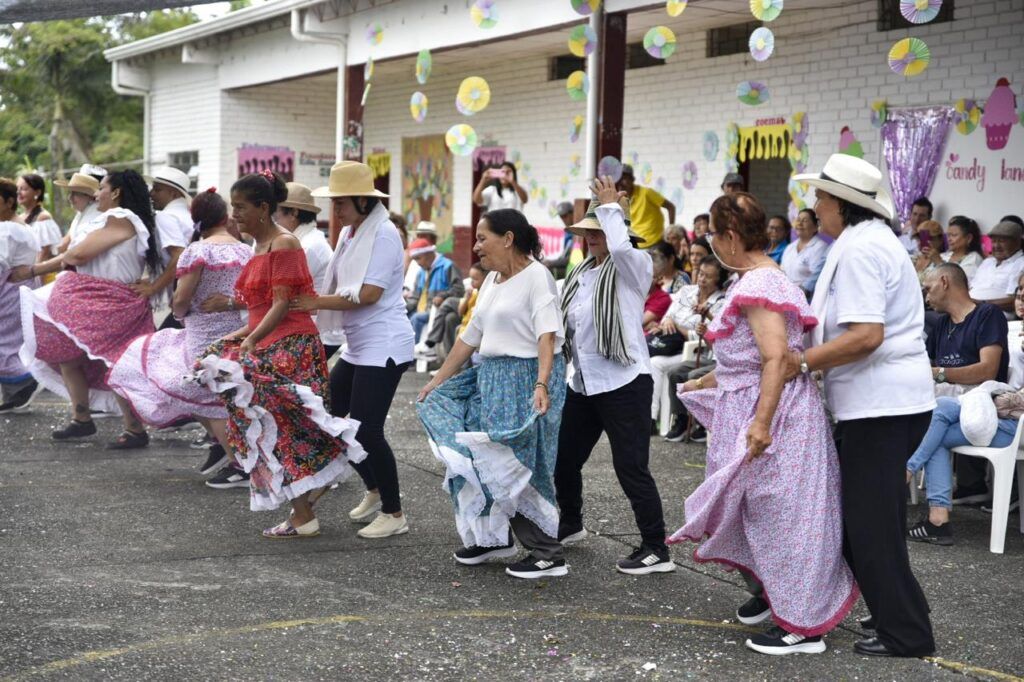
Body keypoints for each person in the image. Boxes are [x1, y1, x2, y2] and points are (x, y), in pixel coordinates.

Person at [669, 190, 856, 656]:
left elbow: (775, 358)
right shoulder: (754, 279)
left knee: (787, 516)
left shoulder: (760, 286)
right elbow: (748, 358)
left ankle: (804, 624)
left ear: (731, 236)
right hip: (764, 406)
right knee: (757, 511)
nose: (710, 242)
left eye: (713, 233)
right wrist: (705, 381)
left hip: (781, 417)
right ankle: (776, 596)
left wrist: (761, 423)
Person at [790, 154, 936, 658]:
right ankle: (898, 608)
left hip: (883, 404)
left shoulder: (861, 251)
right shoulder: (867, 242)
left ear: (840, 204)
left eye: (821, 198)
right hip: (883, 403)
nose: (815, 206)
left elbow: (867, 335)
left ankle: (906, 631)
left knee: (868, 521)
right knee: (878, 518)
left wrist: (801, 361)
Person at [192, 170, 363, 538]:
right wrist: (233, 339)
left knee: (283, 427)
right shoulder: (258, 246)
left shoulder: (284, 244)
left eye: (240, 207)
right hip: (268, 340)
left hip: (292, 346)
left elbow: (283, 304)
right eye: (232, 207)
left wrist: (250, 339)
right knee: (269, 427)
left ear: (263, 207)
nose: (234, 214)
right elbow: (258, 308)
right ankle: (304, 511)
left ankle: (311, 503)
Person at [416, 208, 568, 579]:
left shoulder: (537, 277)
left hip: (526, 379)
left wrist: (542, 383)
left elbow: (546, 334)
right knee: (478, 457)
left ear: (509, 238)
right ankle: (492, 539)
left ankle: (547, 553)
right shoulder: (491, 282)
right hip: (492, 379)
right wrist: (437, 380)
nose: (478, 247)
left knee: (516, 463)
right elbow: (471, 336)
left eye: (483, 238)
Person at [555, 182, 674, 575]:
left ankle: (656, 548)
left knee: (631, 468)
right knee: (564, 460)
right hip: (585, 383)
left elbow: (622, 248)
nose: (590, 238)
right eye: (586, 231)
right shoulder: (579, 275)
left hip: (625, 382)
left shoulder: (633, 266)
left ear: (615, 230)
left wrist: (612, 210)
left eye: (598, 230)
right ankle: (570, 523)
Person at [294, 160, 415, 539]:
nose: (337, 210)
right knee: (332, 417)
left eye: (342, 202)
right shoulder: (352, 231)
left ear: (363, 200)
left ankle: (395, 513)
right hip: (358, 343)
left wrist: (314, 302)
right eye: (335, 202)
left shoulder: (383, 233)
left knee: (366, 429)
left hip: (384, 343)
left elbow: (369, 294)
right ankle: (375, 490)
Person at [107, 188, 252, 479]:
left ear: (196, 219)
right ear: (225, 217)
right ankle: (233, 455)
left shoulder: (198, 250)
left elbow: (182, 298)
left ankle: (239, 464)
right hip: (237, 330)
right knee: (215, 394)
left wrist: (180, 313)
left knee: (202, 392)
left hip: (201, 332)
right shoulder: (245, 249)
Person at [19, 170, 165, 449]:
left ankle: (134, 429)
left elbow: (77, 254)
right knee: (70, 354)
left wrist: (36, 269)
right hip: (102, 298)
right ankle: (82, 418)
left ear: (117, 192)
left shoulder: (120, 217)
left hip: (110, 300)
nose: (97, 194)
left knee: (116, 363)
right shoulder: (112, 218)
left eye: (102, 188)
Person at [651, 257, 729, 438]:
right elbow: (666, 319)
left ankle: (701, 422)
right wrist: (670, 320)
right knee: (674, 372)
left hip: (701, 350)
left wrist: (679, 326)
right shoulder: (686, 291)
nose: (702, 279)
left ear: (718, 280)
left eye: (708, 277)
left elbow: (699, 336)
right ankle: (680, 419)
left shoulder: (720, 303)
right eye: (701, 273)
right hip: (672, 346)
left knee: (691, 374)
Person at [924, 263, 1008, 400]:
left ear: (944, 282)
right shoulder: (941, 323)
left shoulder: (988, 314)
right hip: (945, 398)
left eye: (929, 289)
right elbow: (924, 366)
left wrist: (938, 373)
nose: (927, 299)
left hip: (981, 401)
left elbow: (988, 371)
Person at [132, 167, 194, 329]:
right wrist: (152, 279)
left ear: (174, 194)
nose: (151, 194)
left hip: (185, 297)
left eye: (157, 189)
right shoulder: (188, 216)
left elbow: (180, 256)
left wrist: (153, 287)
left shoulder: (166, 216)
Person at [0, 178, 41, 412]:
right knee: (12, 342)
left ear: (9, 202)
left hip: (9, 291)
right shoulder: (19, 226)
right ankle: (16, 392)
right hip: (19, 290)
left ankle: (24, 384)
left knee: (6, 344)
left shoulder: (7, 229)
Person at [406, 239, 464, 347]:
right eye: (415, 260)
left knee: (416, 318)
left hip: (437, 311)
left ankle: (414, 353)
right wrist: (404, 308)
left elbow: (459, 289)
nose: (418, 263)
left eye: (419, 258)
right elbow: (415, 298)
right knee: (405, 317)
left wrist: (442, 296)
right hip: (422, 309)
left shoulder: (448, 266)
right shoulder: (421, 272)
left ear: (429, 253)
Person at [276, 182, 331, 291]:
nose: (275, 220)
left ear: (293, 213)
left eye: (276, 212)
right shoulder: (307, 240)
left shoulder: (307, 247)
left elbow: (282, 292)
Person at [969, 220, 1024, 318]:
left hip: (995, 315)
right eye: (994, 241)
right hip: (969, 309)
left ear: (1017, 242)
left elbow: (1015, 300)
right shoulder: (987, 262)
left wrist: (982, 304)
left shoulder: (1020, 263)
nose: (996, 246)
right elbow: (972, 288)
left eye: (1002, 241)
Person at [616, 164, 676, 249]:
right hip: (635, 245)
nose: (621, 182)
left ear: (632, 179)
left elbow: (671, 207)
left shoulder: (646, 193)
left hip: (655, 243)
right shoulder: (619, 200)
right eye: (618, 179)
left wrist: (671, 230)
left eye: (624, 178)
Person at [780, 208, 828, 298]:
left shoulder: (820, 247)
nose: (799, 224)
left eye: (805, 220)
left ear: (815, 227)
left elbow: (815, 277)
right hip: (786, 297)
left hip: (807, 297)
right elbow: (782, 272)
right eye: (798, 220)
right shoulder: (790, 247)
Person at [17, 174, 62, 269]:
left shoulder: (43, 217)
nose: (19, 192)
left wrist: (34, 277)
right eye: (18, 189)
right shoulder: (20, 217)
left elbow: (43, 254)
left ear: (37, 193)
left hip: (39, 274)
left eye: (24, 189)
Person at [941, 215, 984, 283]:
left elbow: (959, 283)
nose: (949, 239)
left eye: (954, 235)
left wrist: (939, 263)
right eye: (948, 235)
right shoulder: (944, 255)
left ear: (969, 238)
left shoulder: (974, 258)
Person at [545, 201, 577, 278]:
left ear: (572, 213)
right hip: (566, 266)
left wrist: (551, 263)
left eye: (565, 216)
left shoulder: (579, 231)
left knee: (546, 272)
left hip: (573, 269)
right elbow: (564, 255)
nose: (563, 219)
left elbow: (572, 259)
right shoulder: (568, 232)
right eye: (561, 216)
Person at [912, 220, 948, 284]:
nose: (921, 242)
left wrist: (938, 262)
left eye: (929, 238)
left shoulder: (946, 259)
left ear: (940, 240)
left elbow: (949, 281)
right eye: (919, 238)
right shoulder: (913, 258)